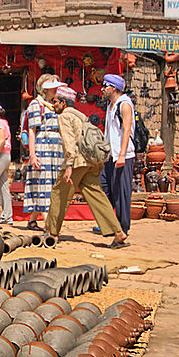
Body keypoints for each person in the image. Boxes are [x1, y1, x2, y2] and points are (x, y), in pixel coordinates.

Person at [46, 86, 129, 248]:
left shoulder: (64, 116)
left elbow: (69, 142)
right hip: (91, 162)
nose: (53, 105)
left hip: (77, 162)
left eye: (55, 101)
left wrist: (69, 165)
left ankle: (51, 233)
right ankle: (118, 232)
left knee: (59, 194)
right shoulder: (81, 115)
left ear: (63, 103)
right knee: (96, 195)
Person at [24, 74, 65, 230]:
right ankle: (49, 225)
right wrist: (33, 155)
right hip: (43, 146)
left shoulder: (54, 105)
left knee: (52, 183)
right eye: (52, 88)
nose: (55, 90)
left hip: (56, 148)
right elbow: (32, 130)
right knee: (44, 183)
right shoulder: (36, 104)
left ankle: (32, 220)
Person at [100, 73, 135, 236]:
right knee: (105, 188)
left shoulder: (124, 104)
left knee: (121, 193)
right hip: (110, 155)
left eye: (105, 86)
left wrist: (122, 155)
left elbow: (127, 130)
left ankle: (123, 228)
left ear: (113, 88)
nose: (102, 89)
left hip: (123, 155)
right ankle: (109, 223)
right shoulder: (110, 106)